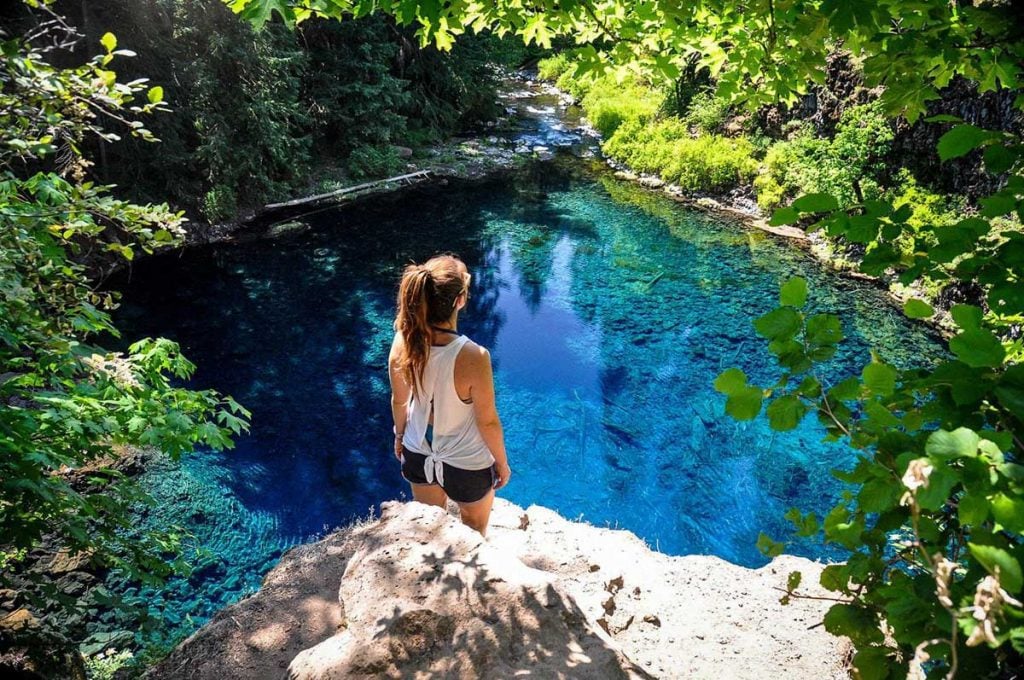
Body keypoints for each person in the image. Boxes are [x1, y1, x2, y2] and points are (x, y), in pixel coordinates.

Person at [388, 254, 512, 535]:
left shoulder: (402, 341)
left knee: (431, 532)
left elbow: (399, 400)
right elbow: (488, 422)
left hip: (417, 453)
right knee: (474, 533)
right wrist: (502, 464)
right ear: (460, 300)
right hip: (467, 464)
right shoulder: (474, 356)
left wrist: (399, 436)